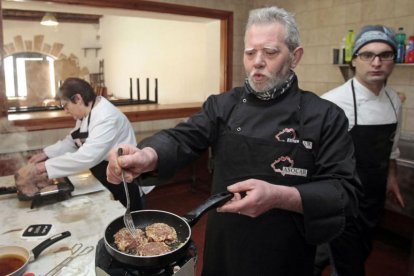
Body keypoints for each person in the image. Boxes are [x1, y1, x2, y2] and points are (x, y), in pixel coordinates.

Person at [106, 6, 362, 276]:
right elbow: (183, 137)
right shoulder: (222, 105)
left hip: (286, 250)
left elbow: (344, 193)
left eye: (270, 52)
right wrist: (149, 155)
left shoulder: (324, 116)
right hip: (225, 243)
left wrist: (279, 196)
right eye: (250, 53)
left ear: (295, 56)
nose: (257, 62)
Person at [314, 25, 405, 276]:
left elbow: (392, 147)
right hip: (342, 197)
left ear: (392, 61)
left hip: (373, 197)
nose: (376, 62)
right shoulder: (333, 102)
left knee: (359, 250)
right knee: (350, 264)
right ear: (354, 60)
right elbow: (315, 155)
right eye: (367, 55)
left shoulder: (394, 100)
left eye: (385, 55)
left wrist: (392, 178)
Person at [26, 77, 149, 210]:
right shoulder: (87, 112)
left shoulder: (106, 117)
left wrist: (42, 167)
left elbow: (87, 156)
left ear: (78, 98)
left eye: (65, 105)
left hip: (124, 179)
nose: (65, 110)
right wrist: (46, 153)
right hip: (106, 175)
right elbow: (74, 140)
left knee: (130, 221)